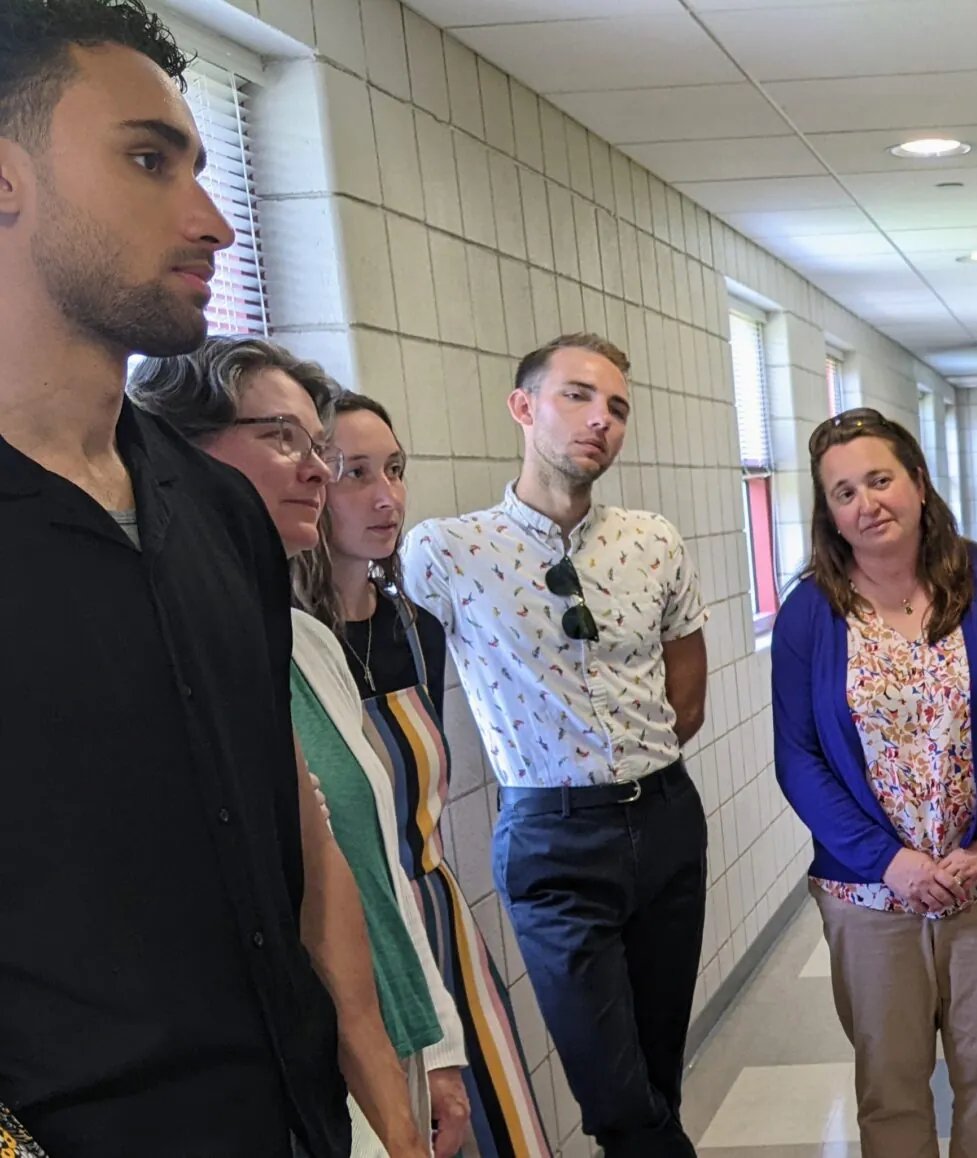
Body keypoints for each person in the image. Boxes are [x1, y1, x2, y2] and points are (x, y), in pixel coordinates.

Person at [0, 3, 407, 1153]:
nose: (213, 223)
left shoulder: (216, 508)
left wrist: (370, 1053)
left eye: (200, 168)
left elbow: (289, 809)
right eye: (146, 161)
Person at [128, 338, 472, 1158]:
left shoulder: (306, 645)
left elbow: (375, 874)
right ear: (177, 455)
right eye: (282, 438)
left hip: (386, 1046)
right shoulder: (148, 655)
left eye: (317, 444)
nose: (317, 469)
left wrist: (439, 1050)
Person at [401, 332, 711, 1158]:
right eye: (577, 395)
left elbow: (688, 696)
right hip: (552, 841)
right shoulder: (445, 551)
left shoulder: (653, 541)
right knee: (617, 1100)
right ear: (523, 407)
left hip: (667, 821)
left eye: (616, 407)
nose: (600, 420)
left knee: (655, 1080)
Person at [772, 408, 977, 1157]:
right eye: (844, 492)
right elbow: (797, 758)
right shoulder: (809, 613)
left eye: (881, 479)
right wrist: (888, 861)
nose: (868, 503)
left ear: (920, 483)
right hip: (869, 897)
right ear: (829, 514)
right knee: (890, 1092)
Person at [297, 391, 555, 1158]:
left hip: (438, 914)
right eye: (354, 473)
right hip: (353, 934)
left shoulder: (416, 627)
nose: (386, 497)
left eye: (396, 470)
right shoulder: (290, 647)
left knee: (503, 1124)